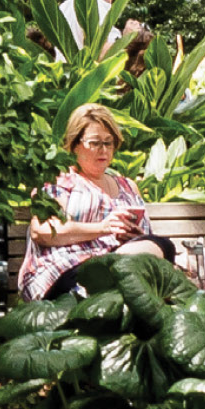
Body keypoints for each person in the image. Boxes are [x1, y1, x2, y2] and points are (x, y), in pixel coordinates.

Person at [21, 102, 173, 300]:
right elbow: (40, 232)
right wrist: (102, 228)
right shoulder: (59, 181)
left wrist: (134, 236)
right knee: (138, 271)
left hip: (124, 267)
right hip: (67, 270)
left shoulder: (128, 187)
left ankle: (111, 275)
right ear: (75, 145)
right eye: (94, 143)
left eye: (108, 143)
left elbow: (148, 242)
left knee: (163, 246)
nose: (103, 150)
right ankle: (102, 278)